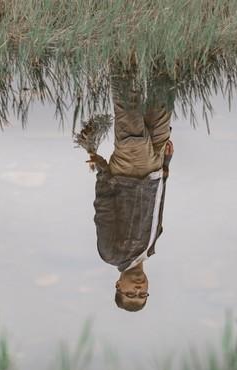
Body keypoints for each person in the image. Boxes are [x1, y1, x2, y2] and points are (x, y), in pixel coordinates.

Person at [85, 73, 175, 312]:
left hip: (129, 171)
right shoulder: (150, 248)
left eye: (131, 293)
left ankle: (122, 53)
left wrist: (103, 170)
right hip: (155, 168)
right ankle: (159, 50)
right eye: (142, 293)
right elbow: (157, 204)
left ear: (118, 285)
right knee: (164, 93)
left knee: (128, 102)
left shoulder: (111, 253)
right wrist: (166, 163)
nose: (138, 288)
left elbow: (103, 209)